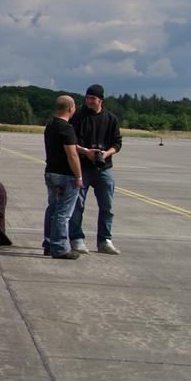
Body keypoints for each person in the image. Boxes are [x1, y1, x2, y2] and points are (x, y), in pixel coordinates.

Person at [69, 83, 123, 255]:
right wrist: (86, 152)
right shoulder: (78, 117)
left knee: (107, 205)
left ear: (100, 99)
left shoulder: (111, 119)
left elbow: (117, 143)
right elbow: (70, 143)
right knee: (78, 204)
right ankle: (77, 239)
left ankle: (105, 240)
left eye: (93, 98)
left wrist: (105, 154)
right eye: (87, 98)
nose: (89, 101)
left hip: (103, 167)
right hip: (83, 165)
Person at [43, 95, 84, 259]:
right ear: (70, 108)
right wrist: (79, 176)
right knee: (63, 213)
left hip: (51, 171)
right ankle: (59, 247)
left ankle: (49, 244)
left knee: (52, 209)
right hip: (65, 175)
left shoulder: (51, 125)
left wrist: (86, 151)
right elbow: (72, 154)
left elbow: (71, 147)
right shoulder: (66, 128)